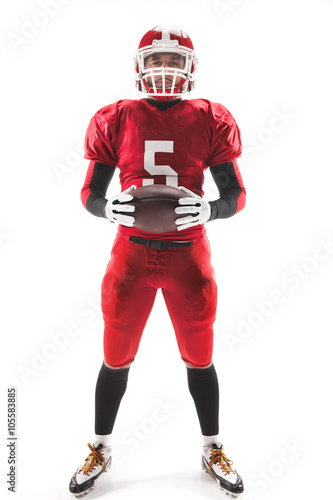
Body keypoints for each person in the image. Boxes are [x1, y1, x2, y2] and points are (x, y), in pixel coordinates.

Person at [69, 25, 246, 497]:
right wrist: (107, 208)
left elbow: (236, 195)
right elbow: (90, 193)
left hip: (190, 257)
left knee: (200, 358)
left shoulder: (210, 117)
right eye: (155, 60)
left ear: (190, 69)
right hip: (130, 256)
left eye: (173, 60)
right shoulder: (116, 117)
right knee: (115, 357)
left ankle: (211, 446)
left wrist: (209, 208)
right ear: (139, 67)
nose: (164, 69)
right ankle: (100, 447)